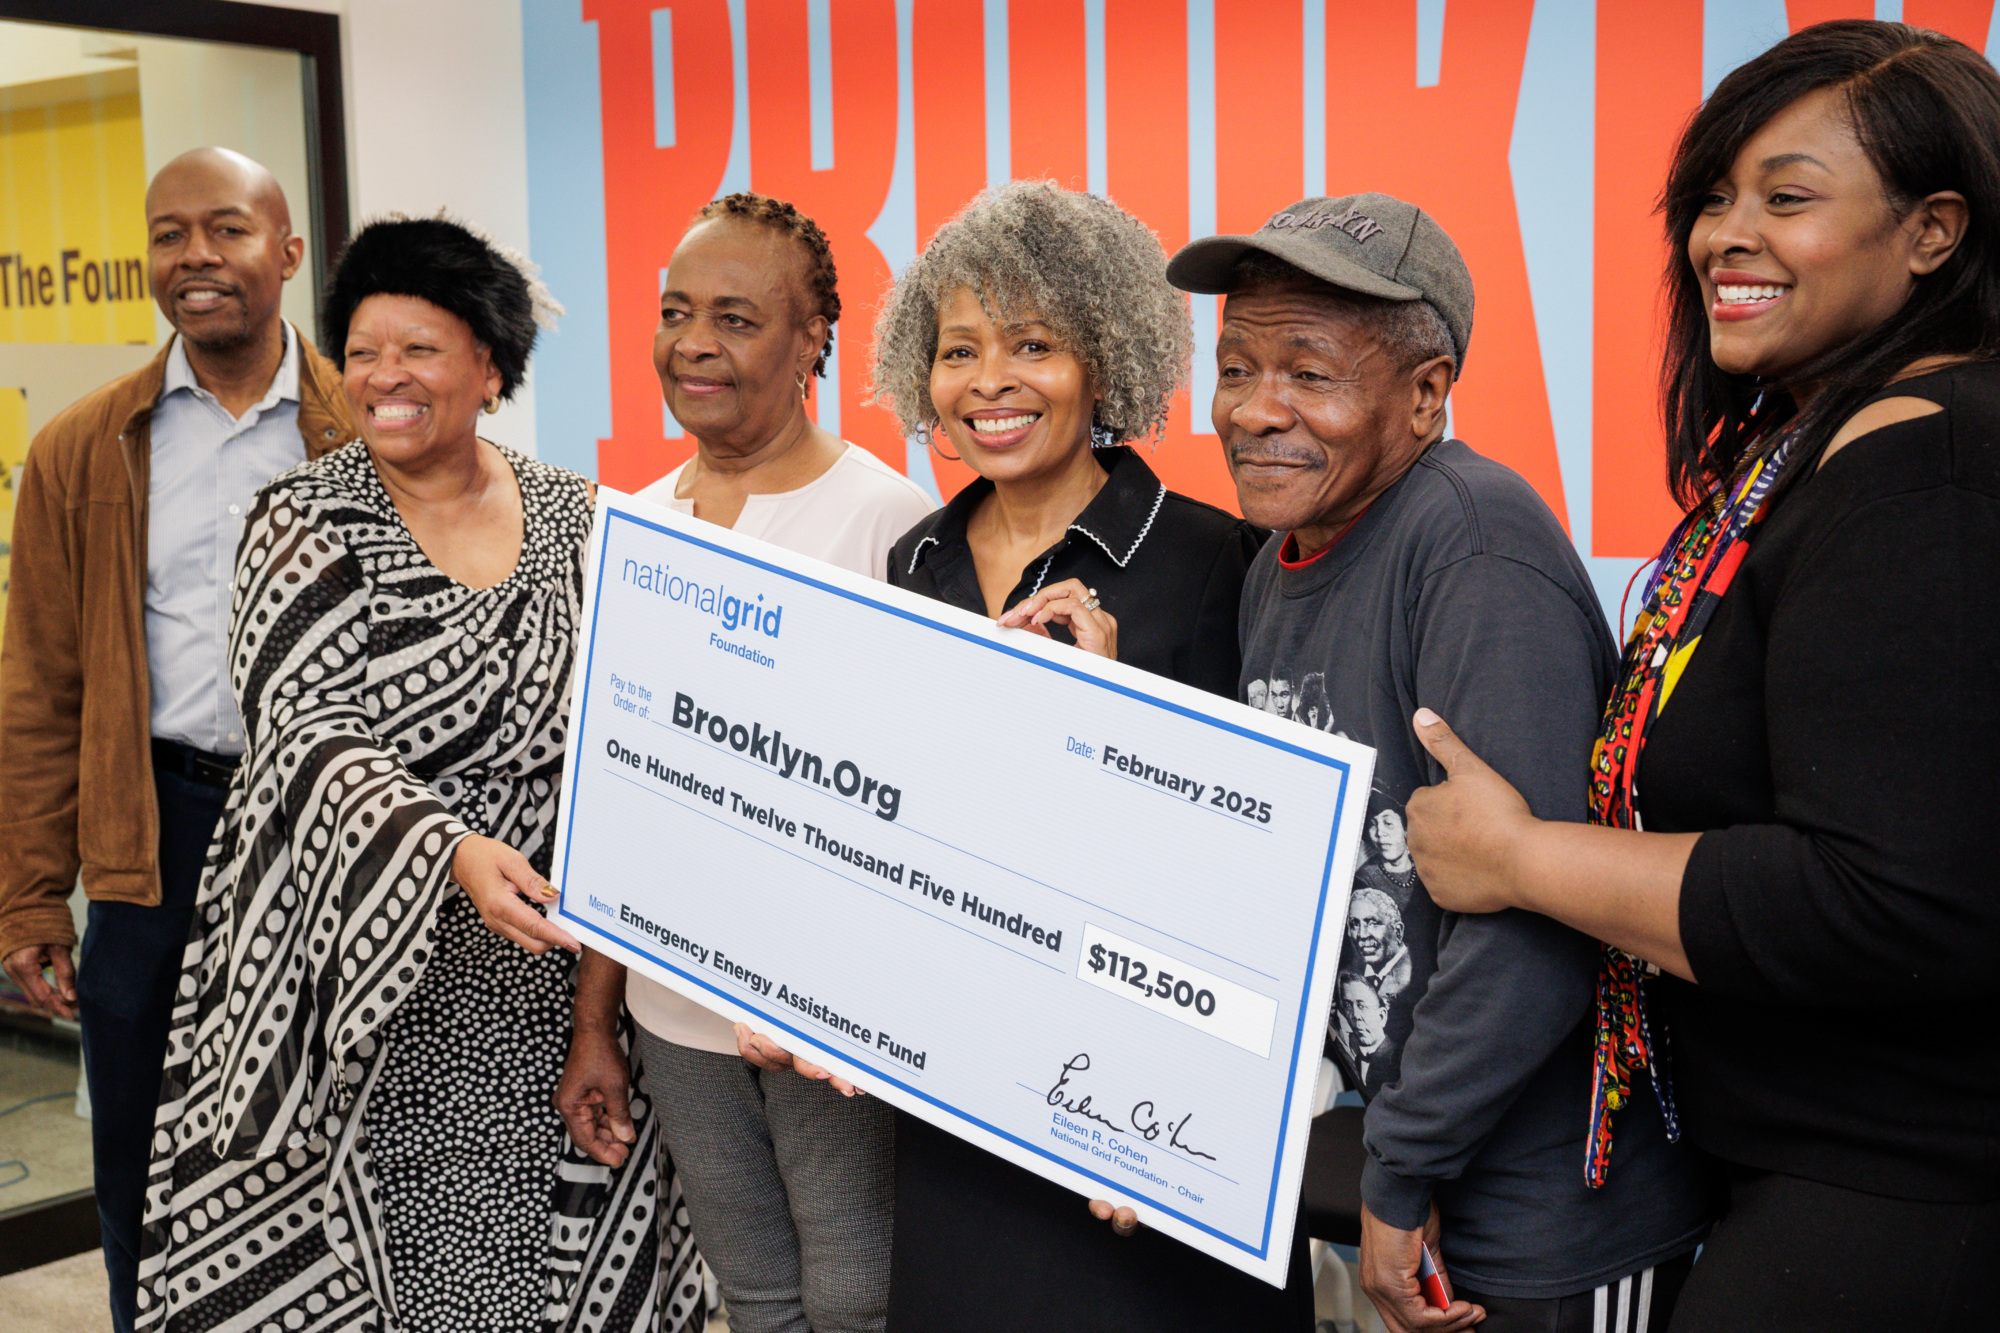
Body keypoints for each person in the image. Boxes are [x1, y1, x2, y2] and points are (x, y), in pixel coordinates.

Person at [1402, 22, 2000, 1330]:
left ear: (1933, 231)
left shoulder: (1925, 462)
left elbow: (1879, 901)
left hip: (1897, 1187)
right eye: (1713, 197)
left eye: (1787, 197)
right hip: (1772, 1164)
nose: (1725, 234)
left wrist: (1517, 858)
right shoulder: (1816, 445)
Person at [135, 216, 701, 1332]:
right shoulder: (301, 516)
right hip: (350, 979)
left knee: (540, 1267)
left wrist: (597, 1008)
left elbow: (619, 761)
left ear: (490, 366)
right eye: (361, 350)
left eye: (419, 350)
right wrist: (445, 849)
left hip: (544, 975)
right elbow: (305, 730)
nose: (382, 378)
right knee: (373, 1272)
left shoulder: (580, 519)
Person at [1166, 192, 1715, 1333]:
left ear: (1425, 393)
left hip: (1546, 1221)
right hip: (1422, 1183)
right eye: (1233, 368)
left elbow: (1534, 932)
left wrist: (1396, 1175)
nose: (1256, 411)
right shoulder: (1282, 556)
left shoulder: (1472, 546)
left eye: (1308, 374)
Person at [852, 179, 1296, 1331]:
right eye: (957, 350)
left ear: (1101, 360)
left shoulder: (1215, 561)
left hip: (1139, 1113)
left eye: (1032, 344)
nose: (988, 382)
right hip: (957, 1089)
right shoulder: (912, 562)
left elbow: (1247, 870)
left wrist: (1109, 718)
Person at [555, 192, 934, 1333]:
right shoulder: (634, 520)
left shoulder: (886, 522)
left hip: (828, 1025)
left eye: (734, 316)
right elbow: (615, 789)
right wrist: (595, 1019)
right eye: (676, 313)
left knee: (858, 1300)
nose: (693, 344)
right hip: (674, 1011)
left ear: (813, 335)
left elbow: (914, 803)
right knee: (756, 1299)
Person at [0, 147, 351, 1333]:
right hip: (156, 828)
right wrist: (31, 895)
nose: (194, 257)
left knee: (327, 1121)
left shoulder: (367, 428)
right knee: (141, 1145)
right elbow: (40, 689)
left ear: (289, 254)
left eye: (226, 229)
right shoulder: (83, 448)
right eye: (167, 235)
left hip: (325, 832)